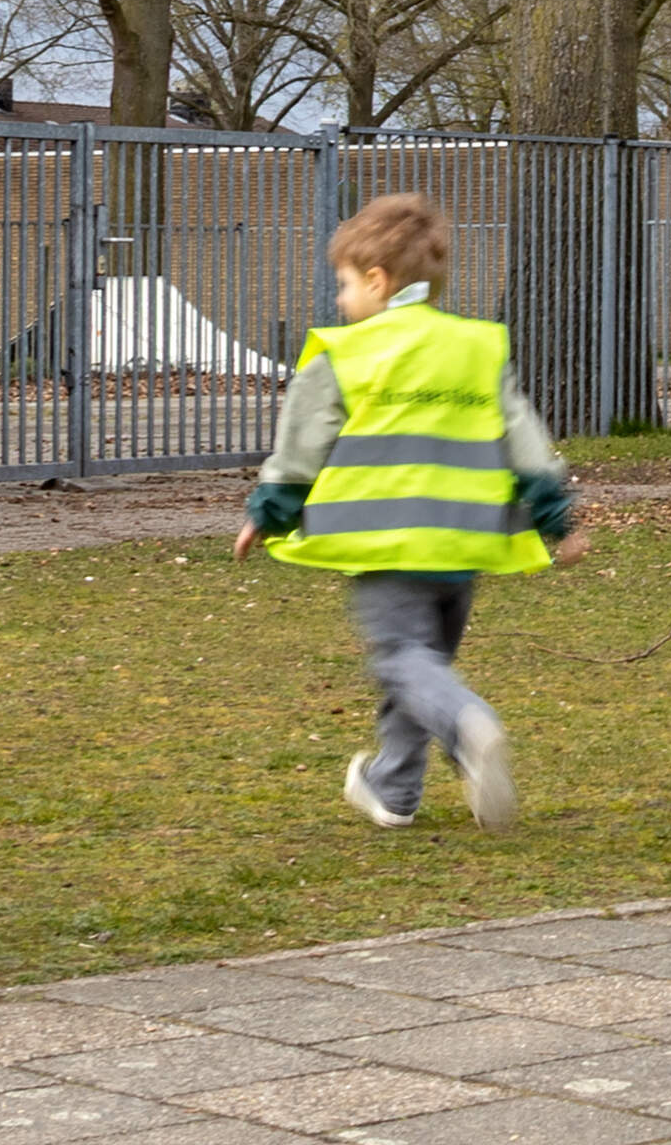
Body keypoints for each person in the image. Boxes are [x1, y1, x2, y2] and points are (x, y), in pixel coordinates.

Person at [235, 192, 585, 833]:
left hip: (387, 544)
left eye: (344, 283)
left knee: (400, 656)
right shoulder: (476, 348)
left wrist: (268, 512)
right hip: (463, 546)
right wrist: (555, 516)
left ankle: (467, 726)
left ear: (376, 280)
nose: (340, 299)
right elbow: (525, 440)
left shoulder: (345, 353)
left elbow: (300, 448)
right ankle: (395, 790)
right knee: (421, 668)